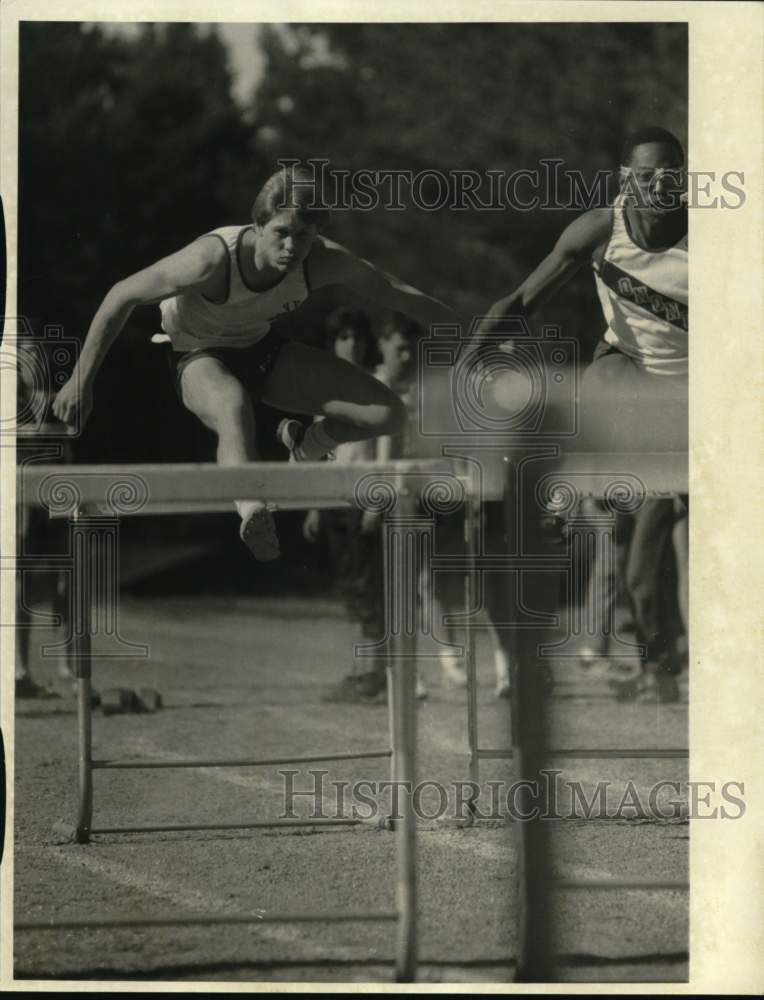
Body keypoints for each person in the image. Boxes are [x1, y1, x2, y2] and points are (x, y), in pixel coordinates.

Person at [52, 165, 457, 561]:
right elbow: (120, 296)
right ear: (258, 225)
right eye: (281, 233)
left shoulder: (322, 260)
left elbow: (397, 293)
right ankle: (252, 509)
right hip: (197, 353)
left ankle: (306, 444)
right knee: (231, 404)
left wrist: (475, 332)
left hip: (261, 349)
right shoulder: (210, 261)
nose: (292, 248)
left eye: (305, 236)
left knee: (387, 414)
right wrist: (80, 379)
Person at [473, 126, 689, 703]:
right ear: (627, 179)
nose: (661, 183)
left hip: (694, 403)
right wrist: (474, 353)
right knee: (601, 378)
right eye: (648, 174)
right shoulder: (600, 229)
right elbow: (521, 300)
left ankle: (661, 669)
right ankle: (561, 494)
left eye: (673, 171)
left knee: (643, 571)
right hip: (626, 369)